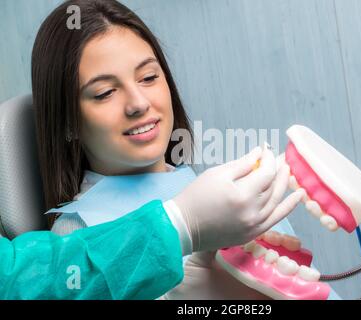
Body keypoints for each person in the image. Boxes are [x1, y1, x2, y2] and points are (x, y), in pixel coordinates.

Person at [0, 0, 302, 299]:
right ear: (68, 122)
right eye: (105, 93)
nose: (139, 103)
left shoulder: (207, 188)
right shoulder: (77, 235)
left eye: (148, 77)